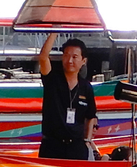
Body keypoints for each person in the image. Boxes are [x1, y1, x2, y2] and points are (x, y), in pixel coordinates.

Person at [36, 32, 98, 160]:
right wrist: (55, 32)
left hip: (77, 147)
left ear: (83, 61)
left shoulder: (86, 87)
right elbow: (43, 57)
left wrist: (87, 140)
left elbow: (90, 116)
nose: (70, 60)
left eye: (75, 57)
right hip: (52, 146)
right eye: (66, 55)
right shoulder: (52, 79)